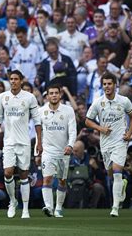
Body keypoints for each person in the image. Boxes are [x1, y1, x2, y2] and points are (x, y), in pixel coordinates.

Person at [85, 72, 132, 217]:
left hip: (120, 141)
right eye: (105, 84)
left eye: (109, 84)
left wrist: (129, 133)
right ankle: (122, 185)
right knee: (110, 172)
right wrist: (101, 129)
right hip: (105, 142)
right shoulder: (98, 102)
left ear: (115, 85)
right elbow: (88, 120)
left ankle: (115, 208)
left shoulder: (124, 100)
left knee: (117, 170)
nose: (107, 86)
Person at [0, 70, 41, 219]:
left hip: (24, 142)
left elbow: (37, 121)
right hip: (8, 142)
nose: (13, 81)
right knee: (7, 173)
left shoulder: (30, 97)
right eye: (11, 79)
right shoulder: (3, 97)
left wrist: (39, 141)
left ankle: (25, 209)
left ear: (21, 81)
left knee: (24, 174)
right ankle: (13, 201)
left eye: (16, 79)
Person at [38, 84, 76, 217]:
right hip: (48, 151)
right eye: (51, 93)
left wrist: (70, 145)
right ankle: (48, 207)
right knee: (47, 179)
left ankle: (59, 207)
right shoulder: (41, 111)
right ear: (47, 96)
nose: (54, 95)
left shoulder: (68, 110)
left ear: (60, 95)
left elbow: (72, 130)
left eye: (56, 93)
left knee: (62, 181)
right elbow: (39, 132)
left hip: (63, 151)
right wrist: (37, 151)